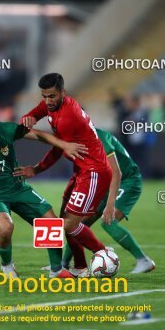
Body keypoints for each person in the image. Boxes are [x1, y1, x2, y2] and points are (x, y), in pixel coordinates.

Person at [0, 107, 87, 278]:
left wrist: (65, 145)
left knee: (51, 221)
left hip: (18, 187)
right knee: (5, 228)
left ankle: (56, 270)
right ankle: (6, 265)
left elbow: (38, 135)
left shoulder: (5, 130)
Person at [17, 73, 112, 277]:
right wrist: (29, 117)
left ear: (63, 93)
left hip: (94, 171)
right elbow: (36, 113)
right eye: (44, 96)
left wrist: (36, 169)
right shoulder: (52, 105)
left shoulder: (69, 117)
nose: (47, 101)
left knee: (69, 225)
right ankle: (79, 267)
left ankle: (104, 254)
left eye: (52, 96)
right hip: (81, 170)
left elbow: (58, 149)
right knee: (63, 221)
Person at [22, 128, 156, 274]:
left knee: (108, 222)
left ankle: (143, 260)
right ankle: (64, 264)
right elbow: (50, 148)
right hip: (100, 182)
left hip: (126, 181)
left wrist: (110, 204)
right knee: (76, 222)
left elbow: (117, 173)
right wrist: (35, 169)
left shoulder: (99, 139)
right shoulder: (68, 137)